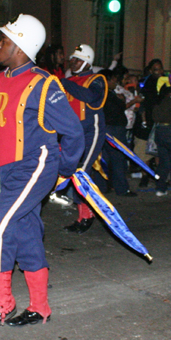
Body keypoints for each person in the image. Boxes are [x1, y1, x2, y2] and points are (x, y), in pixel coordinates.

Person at [0, 14, 84, 332]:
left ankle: (2, 303)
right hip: (9, 170)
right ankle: (40, 306)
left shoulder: (44, 83)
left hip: (36, 167)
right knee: (26, 233)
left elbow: (73, 131)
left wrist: (64, 169)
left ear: (21, 47)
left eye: (6, 40)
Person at [60, 44, 107, 233]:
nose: (73, 62)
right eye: (72, 59)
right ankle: (82, 215)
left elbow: (90, 97)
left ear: (87, 62)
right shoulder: (70, 80)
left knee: (82, 172)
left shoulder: (97, 79)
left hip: (91, 132)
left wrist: (64, 82)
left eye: (77, 59)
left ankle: (87, 216)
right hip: (73, 133)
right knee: (73, 172)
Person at [101, 68, 135, 196]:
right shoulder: (108, 95)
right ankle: (121, 188)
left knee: (105, 158)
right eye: (114, 80)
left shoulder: (102, 93)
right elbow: (119, 108)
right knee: (118, 159)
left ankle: (103, 186)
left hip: (106, 128)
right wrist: (121, 100)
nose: (116, 82)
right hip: (114, 129)